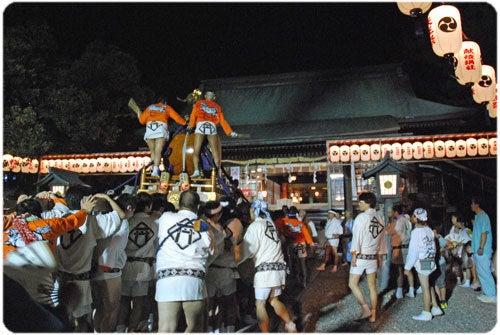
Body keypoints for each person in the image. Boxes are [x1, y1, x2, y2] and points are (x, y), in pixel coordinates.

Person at [56, 186, 126, 332]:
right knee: (81, 323)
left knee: (61, 319)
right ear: (85, 200)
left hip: (59, 281)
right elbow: (120, 215)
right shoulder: (92, 221)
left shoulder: (58, 218)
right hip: (80, 282)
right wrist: (106, 198)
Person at [155, 189, 215, 332]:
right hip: (193, 279)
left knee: (166, 328)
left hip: (167, 278)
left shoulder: (165, 218)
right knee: (194, 327)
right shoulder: (202, 226)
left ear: (178, 204)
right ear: (198, 207)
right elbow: (212, 251)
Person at [238, 197, 297, 332]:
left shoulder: (256, 226)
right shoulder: (271, 224)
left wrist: (234, 257)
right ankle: (291, 325)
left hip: (265, 271)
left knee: (260, 304)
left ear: (254, 210)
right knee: (274, 300)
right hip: (278, 269)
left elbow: (249, 249)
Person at [91, 193, 137, 332]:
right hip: (110, 271)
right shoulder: (121, 221)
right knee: (111, 310)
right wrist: (108, 198)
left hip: (94, 269)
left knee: (99, 308)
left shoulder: (100, 220)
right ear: (129, 208)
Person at [117, 192, 159, 332]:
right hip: (144, 267)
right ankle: (132, 330)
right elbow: (156, 246)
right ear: (148, 206)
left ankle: (120, 328)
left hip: (125, 266)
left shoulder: (128, 221)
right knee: (139, 303)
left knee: (123, 301)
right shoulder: (155, 223)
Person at [348, 192, 387, 323]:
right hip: (373, 257)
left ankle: (365, 309)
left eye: (361, 202)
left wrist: (353, 254)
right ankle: (374, 315)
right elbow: (382, 241)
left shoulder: (361, 217)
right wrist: (380, 256)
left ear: (367, 203)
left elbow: (356, 238)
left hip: (361, 256)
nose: (359, 204)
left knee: (352, 283)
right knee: (372, 286)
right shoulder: (380, 219)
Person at [187, 90, 238, 178]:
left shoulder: (199, 103)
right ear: (214, 98)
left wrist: (190, 126)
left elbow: (193, 115)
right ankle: (217, 172)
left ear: (206, 96)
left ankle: (196, 170)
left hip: (201, 126)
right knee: (215, 150)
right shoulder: (217, 107)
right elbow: (222, 120)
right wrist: (230, 132)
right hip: (211, 127)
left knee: (196, 149)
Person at [404, 208, 442, 321]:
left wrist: (407, 267)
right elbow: (434, 247)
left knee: (425, 287)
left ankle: (426, 312)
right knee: (429, 285)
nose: (412, 218)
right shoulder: (429, 230)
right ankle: (436, 307)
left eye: (413, 216)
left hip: (423, 261)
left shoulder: (416, 232)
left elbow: (413, 252)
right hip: (431, 260)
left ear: (416, 218)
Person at [136, 96, 187, 177]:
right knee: (158, 151)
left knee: (153, 152)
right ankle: (155, 171)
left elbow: (142, 121)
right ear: (165, 102)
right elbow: (177, 118)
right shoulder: (166, 107)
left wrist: (139, 114)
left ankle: (153, 171)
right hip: (160, 129)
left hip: (150, 130)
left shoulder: (150, 107)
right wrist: (185, 123)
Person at [470, 196, 496, 303]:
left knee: (485, 272)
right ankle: (487, 293)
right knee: (481, 273)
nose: (471, 206)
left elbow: (484, 233)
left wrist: (481, 247)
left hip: (483, 251)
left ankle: (492, 295)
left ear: (477, 205)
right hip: (477, 250)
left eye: (472, 203)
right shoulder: (478, 217)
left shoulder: (483, 216)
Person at [281, 206, 314, 286]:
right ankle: (304, 280)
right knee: (302, 262)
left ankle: (297, 279)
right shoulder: (300, 223)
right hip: (301, 244)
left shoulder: (285, 222)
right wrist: (311, 243)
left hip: (292, 244)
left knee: (294, 261)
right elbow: (306, 234)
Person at [386, 204, 413, 299]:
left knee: (400, 271)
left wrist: (389, 221)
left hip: (399, 248)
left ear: (396, 212)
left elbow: (387, 232)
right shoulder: (408, 221)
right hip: (408, 247)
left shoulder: (396, 222)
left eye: (393, 212)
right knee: (409, 270)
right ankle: (411, 290)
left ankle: (399, 291)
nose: (392, 214)